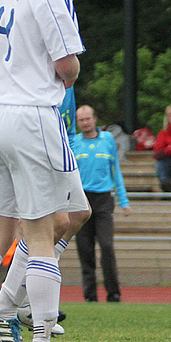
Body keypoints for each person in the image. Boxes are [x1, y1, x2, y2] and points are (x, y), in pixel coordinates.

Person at [0, 0, 90, 342]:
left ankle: (3, 312)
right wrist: (65, 75)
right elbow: (67, 65)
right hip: (30, 117)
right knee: (46, 231)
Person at [0, 87, 91, 342]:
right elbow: (67, 68)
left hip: (37, 124)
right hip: (31, 122)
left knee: (77, 214)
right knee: (38, 227)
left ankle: (9, 307)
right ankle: (7, 310)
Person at [72, 105, 130, 303]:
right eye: (81, 120)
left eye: (88, 118)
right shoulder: (74, 143)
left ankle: (113, 294)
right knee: (85, 248)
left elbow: (115, 170)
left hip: (104, 199)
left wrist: (124, 200)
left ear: (95, 119)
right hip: (81, 200)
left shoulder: (107, 140)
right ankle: (90, 295)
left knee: (106, 245)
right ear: (77, 123)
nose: (85, 123)